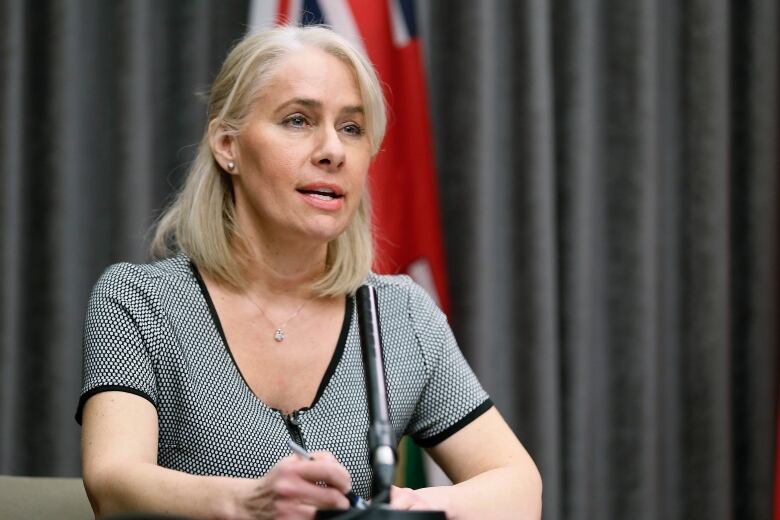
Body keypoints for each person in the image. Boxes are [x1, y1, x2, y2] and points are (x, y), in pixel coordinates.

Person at [77, 25, 542, 520]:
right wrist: (248, 502)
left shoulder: (399, 314)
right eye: (298, 121)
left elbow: (519, 487)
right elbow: (113, 482)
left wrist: (414, 506)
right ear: (227, 145)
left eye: (351, 128)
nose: (332, 151)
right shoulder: (139, 300)